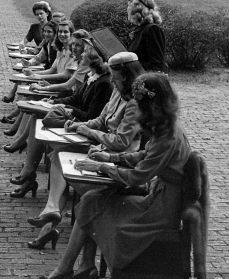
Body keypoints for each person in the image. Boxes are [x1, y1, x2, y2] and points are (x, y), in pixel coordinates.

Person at [38, 72, 191, 279]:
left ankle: (71, 268)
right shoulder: (164, 128)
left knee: (96, 201)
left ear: (153, 107)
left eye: (141, 107)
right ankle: (78, 267)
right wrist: (110, 157)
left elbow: (138, 177)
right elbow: (144, 155)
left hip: (162, 210)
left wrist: (103, 167)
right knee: (92, 198)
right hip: (157, 199)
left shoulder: (169, 137)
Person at [24, 52, 142, 252]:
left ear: (127, 77)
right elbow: (101, 119)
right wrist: (79, 125)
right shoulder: (117, 93)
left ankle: (50, 218)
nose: (112, 79)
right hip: (101, 147)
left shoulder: (134, 104)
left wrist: (90, 132)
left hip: (117, 158)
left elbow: (122, 142)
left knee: (61, 161)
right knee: (58, 156)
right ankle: (50, 217)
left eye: (116, 76)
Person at [8, 44, 113, 200]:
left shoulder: (103, 83)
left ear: (94, 59)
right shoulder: (91, 76)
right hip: (77, 120)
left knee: (41, 123)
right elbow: (76, 98)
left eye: (85, 52)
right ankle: (28, 172)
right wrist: (54, 101)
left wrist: (65, 107)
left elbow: (90, 115)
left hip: (84, 127)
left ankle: (28, 172)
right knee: (38, 118)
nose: (81, 54)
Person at [127, 0, 167, 72]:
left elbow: (157, 63)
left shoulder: (152, 29)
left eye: (131, 6)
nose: (128, 9)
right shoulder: (140, 29)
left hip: (147, 79)